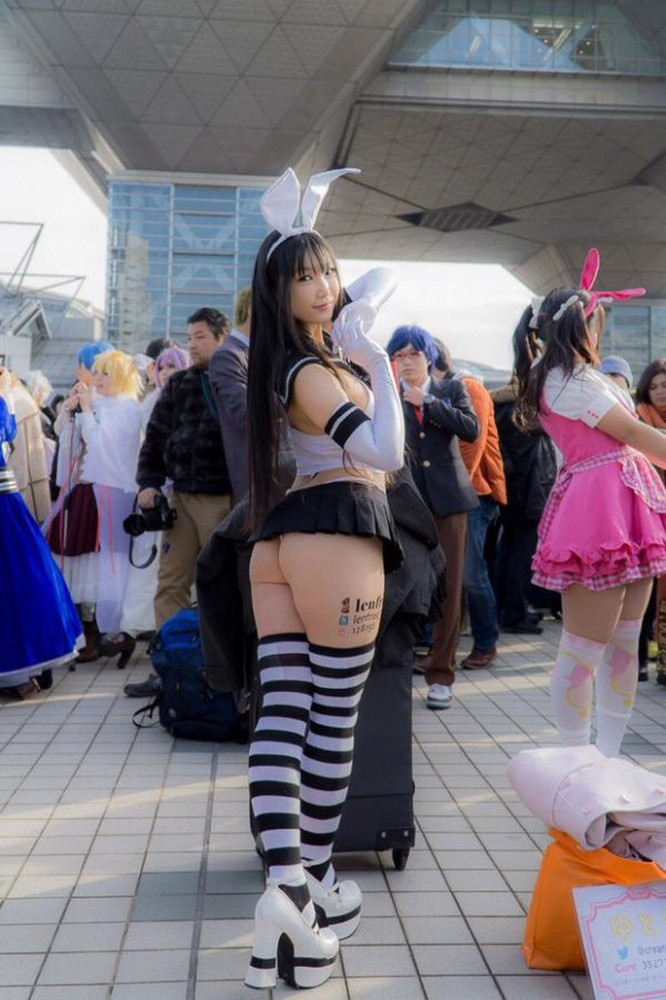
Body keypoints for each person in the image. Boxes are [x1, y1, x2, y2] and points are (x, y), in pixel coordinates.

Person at [243, 167, 404, 991]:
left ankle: (292, 893)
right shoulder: (310, 370)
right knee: (330, 725)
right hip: (336, 537)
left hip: (281, 546)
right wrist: (377, 362)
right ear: (278, 291)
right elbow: (387, 453)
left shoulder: (291, 365)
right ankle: (300, 886)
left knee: (285, 715)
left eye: (329, 271)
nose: (324, 286)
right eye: (305, 276)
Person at [515, 248, 666, 757]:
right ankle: (578, 760)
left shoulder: (579, 376)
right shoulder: (563, 380)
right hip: (600, 507)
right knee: (583, 651)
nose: (601, 331)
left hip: (627, 500)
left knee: (624, 644)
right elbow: (633, 434)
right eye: (597, 321)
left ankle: (608, 759)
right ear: (581, 325)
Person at [125, 308, 231, 698]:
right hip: (180, 497)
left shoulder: (238, 379)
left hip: (224, 498)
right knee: (170, 583)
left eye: (200, 336)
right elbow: (154, 438)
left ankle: (225, 673)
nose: (193, 344)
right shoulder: (180, 384)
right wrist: (149, 483)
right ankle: (167, 671)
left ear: (222, 337)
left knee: (221, 585)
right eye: (189, 337)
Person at [386, 325, 479, 710]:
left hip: (449, 502)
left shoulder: (451, 389)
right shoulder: (386, 395)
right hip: (405, 506)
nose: (407, 362)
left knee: (451, 588)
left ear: (429, 357)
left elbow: (471, 428)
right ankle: (395, 669)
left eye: (414, 354)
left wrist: (427, 401)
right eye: (399, 355)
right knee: (402, 585)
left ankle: (441, 675)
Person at [45, 349, 142, 660]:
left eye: (106, 373)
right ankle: (84, 630)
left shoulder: (129, 409)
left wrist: (86, 411)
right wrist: (70, 411)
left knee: (108, 562)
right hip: (84, 492)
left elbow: (103, 447)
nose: (98, 379)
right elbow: (67, 440)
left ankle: (107, 632)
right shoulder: (96, 403)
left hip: (113, 494)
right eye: (97, 372)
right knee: (76, 556)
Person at [103, 345, 192, 663]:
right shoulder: (152, 401)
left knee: (168, 571)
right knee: (148, 567)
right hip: (155, 495)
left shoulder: (184, 398)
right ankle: (134, 631)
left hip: (180, 495)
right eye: (162, 367)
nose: (166, 372)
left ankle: (152, 636)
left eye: (173, 366)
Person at [0, 367, 81, 694]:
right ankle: (21, 673)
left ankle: (20, 672)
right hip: (7, 503)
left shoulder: (8, 399)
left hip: (6, 503)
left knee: (19, 581)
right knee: (21, 580)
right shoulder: (7, 399)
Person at [492, 309, 557, 634]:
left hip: (514, 486)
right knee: (521, 551)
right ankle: (514, 614)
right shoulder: (526, 404)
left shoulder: (504, 402)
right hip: (530, 486)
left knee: (509, 548)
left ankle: (508, 610)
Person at [457, 369, 507, 668]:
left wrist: (453, 488)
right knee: (456, 573)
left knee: (472, 573)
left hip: (473, 493)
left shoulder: (469, 385)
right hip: (457, 493)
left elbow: (471, 443)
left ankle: (486, 643)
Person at [635, 358, 666, 685]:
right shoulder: (636, 423)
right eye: (653, 386)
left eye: (665, 385)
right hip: (648, 517)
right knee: (643, 592)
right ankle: (639, 660)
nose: (659, 392)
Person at [209, 286, 252, 504]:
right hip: (255, 483)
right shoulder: (229, 356)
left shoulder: (252, 354)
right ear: (254, 310)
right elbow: (246, 414)